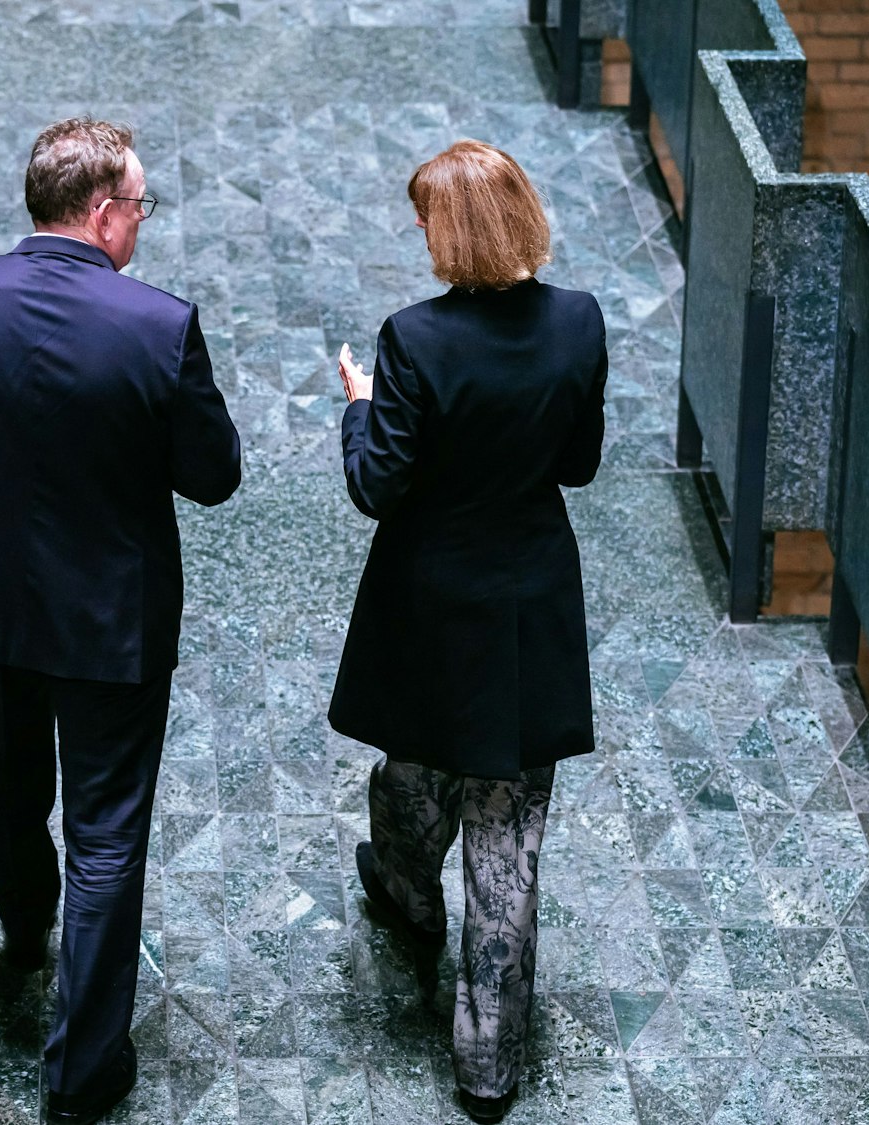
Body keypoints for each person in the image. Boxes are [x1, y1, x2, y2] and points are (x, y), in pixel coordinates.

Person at [0, 116, 241, 1123]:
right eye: (138, 207)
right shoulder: (156, 326)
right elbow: (212, 477)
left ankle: (23, 912)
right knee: (107, 835)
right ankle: (82, 1074)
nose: (140, 225)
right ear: (99, 213)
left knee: (3, 786)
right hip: (113, 625)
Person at [328, 139, 608, 1124]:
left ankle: (404, 891)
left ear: (450, 233)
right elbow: (575, 465)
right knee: (509, 833)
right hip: (528, 600)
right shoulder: (577, 324)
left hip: (433, 600)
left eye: (421, 218)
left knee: (414, 767)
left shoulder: (414, 338)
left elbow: (375, 485)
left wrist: (358, 405)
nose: (415, 230)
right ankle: (486, 1069)